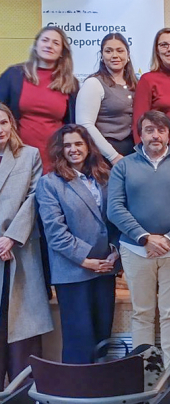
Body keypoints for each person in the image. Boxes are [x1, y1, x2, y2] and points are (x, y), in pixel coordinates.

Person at [108, 110, 170, 366]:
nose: (155, 135)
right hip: (137, 251)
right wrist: (145, 238)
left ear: (169, 134)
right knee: (142, 314)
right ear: (140, 134)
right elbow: (115, 208)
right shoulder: (124, 166)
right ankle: (145, 373)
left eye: (161, 130)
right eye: (149, 130)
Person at [36, 125, 118, 363]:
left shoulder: (105, 177)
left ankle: (101, 395)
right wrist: (85, 260)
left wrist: (114, 253)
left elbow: (115, 218)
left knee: (103, 340)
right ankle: (77, 394)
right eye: (68, 145)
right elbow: (55, 232)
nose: (73, 149)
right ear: (60, 150)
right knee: (79, 343)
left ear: (88, 146)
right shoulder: (50, 183)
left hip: (105, 268)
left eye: (78, 144)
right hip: (73, 272)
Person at [0, 104, 52, 383]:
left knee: (22, 330)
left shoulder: (29, 155)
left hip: (20, 250)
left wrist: (11, 237)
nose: (0, 129)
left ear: (11, 125)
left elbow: (34, 198)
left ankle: (22, 394)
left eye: (3, 123)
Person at [0, 25, 78, 170]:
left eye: (56, 43)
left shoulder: (70, 83)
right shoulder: (13, 75)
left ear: (62, 52)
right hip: (17, 154)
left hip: (55, 156)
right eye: (45, 40)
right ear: (36, 45)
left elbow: (72, 124)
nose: (49, 45)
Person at [76, 32, 138, 164]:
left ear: (127, 55)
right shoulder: (94, 83)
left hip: (132, 153)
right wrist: (113, 156)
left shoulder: (135, 84)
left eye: (120, 51)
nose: (115, 55)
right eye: (108, 51)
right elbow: (84, 124)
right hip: (104, 157)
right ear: (102, 57)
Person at [132, 28, 170, 153]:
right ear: (157, 51)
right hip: (158, 152)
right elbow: (139, 122)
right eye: (164, 45)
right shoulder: (148, 80)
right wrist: (143, 155)